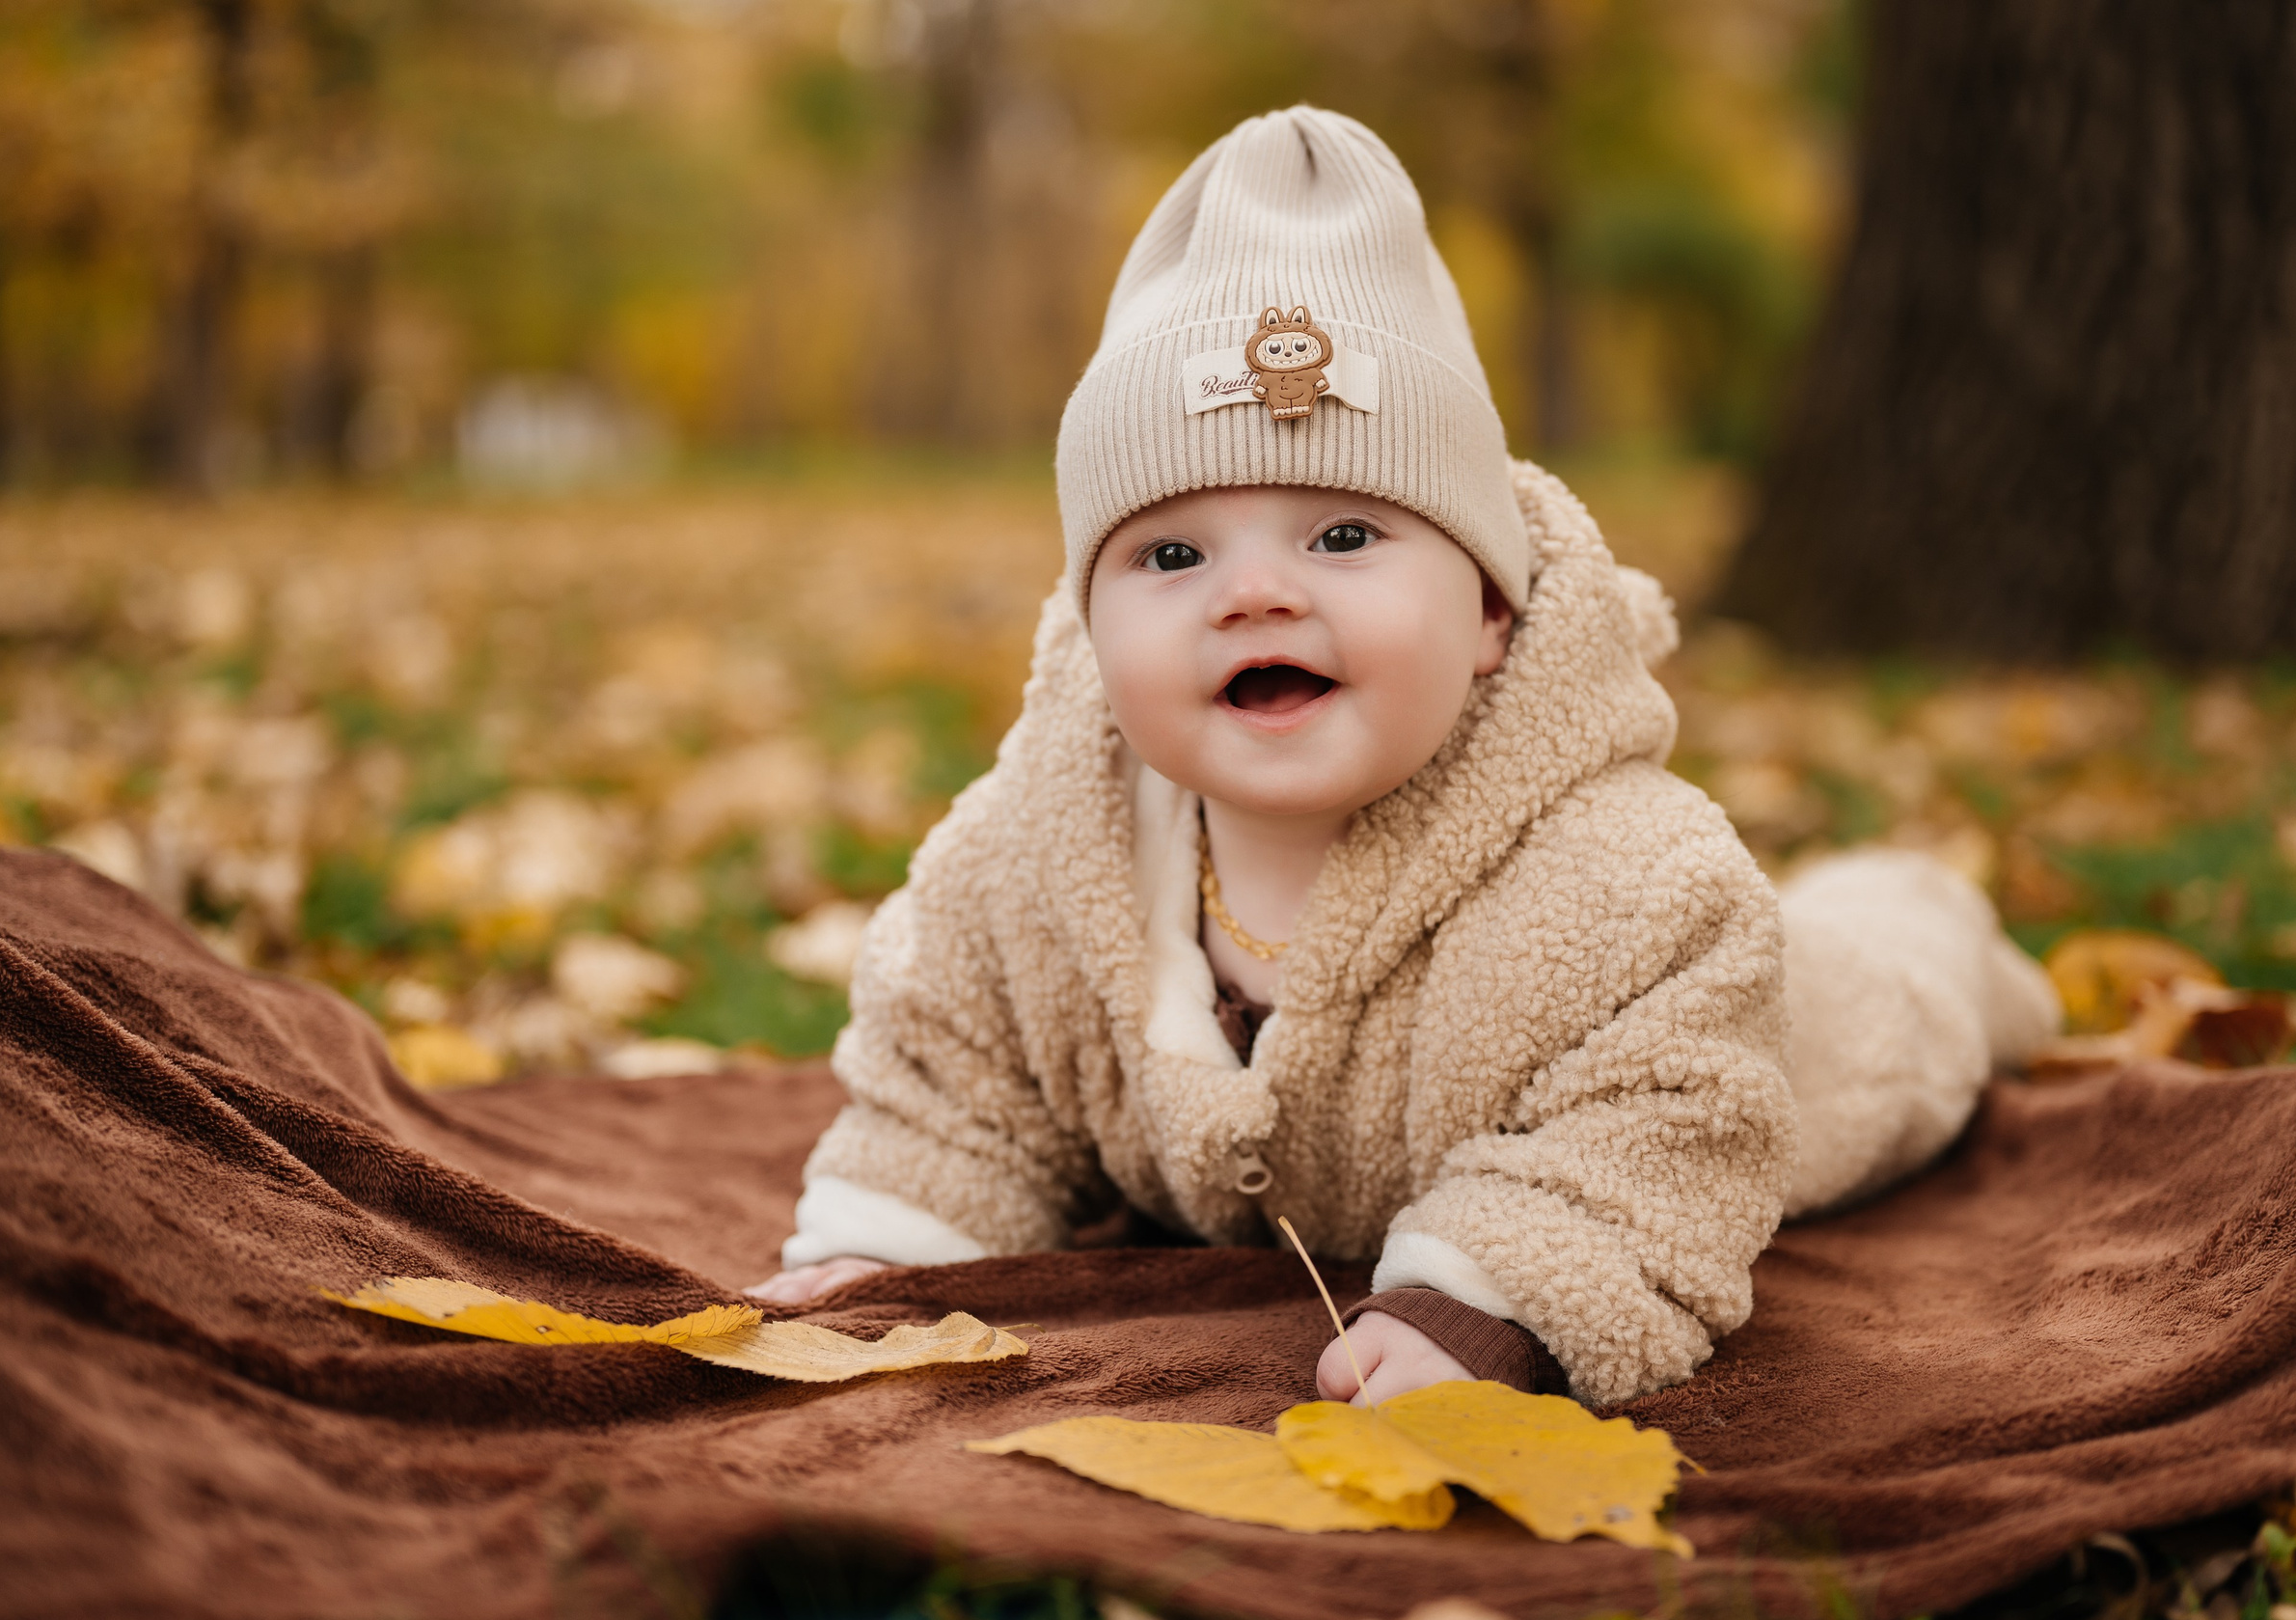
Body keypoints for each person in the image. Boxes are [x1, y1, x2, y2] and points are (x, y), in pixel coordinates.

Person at [750, 106, 2057, 1408]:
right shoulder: (1027, 862)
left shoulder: (1632, 885)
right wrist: (889, 1239)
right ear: (1091, 629)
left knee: (1901, 997)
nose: (1253, 593)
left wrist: (1490, 1299)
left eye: (1341, 538)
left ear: (1490, 610)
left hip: (1807, 1040)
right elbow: (956, 1079)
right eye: (1170, 554)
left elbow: (1661, 1126)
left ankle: (1932, 914)